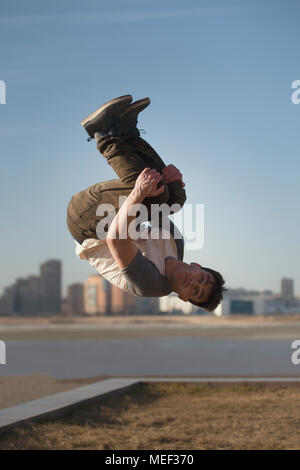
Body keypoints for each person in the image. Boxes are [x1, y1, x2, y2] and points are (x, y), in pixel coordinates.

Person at [67, 95, 226, 311]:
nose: (194, 282)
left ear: (183, 298)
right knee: (174, 199)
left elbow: (116, 239)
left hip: (85, 222)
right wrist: (175, 182)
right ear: (197, 266)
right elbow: (163, 205)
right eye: (202, 279)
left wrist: (138, 194)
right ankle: (127, 133)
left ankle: (103, 134)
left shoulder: (151, 285)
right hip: (104, 213)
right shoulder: (176, 242)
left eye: (196, 291)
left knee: (152, 197)